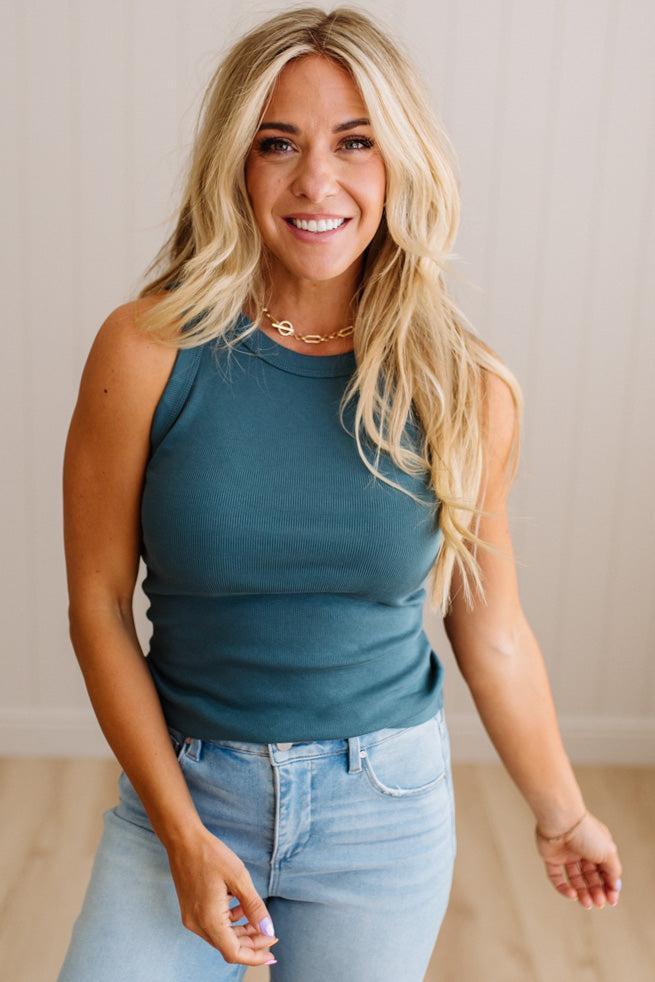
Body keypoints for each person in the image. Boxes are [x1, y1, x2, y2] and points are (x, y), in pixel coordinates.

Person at [57, 6, 623, 981]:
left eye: (354, 143)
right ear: (234, 162)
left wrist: (562, 812)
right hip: (184, 790)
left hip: (383, 812)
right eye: (277, 143)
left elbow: (490, 629)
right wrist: (182, 832)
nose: (316, 181)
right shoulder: (145, 352)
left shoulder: (462, 387)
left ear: (399, 160)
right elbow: (99, 606)